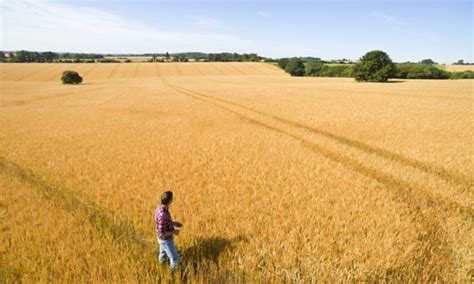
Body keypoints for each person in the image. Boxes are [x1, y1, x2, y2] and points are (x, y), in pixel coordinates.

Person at [154, 191, 183, 271]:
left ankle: (161, 266)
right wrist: (174, 232)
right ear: (170, 201)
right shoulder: (163, 214)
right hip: (165, 240)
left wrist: (174, 223)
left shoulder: (159, 207)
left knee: (163, 254)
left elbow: (164, 222)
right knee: (175, 259)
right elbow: (162, 233)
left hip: (161, 239)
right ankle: (173, 275)